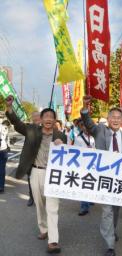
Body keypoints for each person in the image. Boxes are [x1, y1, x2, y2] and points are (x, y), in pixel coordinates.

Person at [5, 95, 67, 254]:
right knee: (39, 204)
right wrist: (10, 108)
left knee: (52, 207)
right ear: (41, 119)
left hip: (54, 176)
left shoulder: (61, 136)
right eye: (45, 116)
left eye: (51, 117)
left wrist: (63, 145)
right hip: (36, 172)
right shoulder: (32, 130)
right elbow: (17, 123)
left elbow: (68, 156)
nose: (48, 119)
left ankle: (53, 241)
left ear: (54, 120)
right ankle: (43, 228)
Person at [81, 95, 122, 256]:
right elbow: (87, 121)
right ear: (108, 119)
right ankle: (110, 245)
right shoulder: (100, 131)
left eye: (119, 117)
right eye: (113, 117)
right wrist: (85, 107)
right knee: (107, 210)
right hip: (103, 178)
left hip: (120, 180)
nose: (116, 120)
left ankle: (112, 230)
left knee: (115, 209)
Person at [71, 118, 95, 216]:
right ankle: (84, 207)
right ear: (81, 127)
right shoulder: (78, 138)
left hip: (93, 164)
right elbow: (76, 152)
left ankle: (89, 199)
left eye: (88, 126)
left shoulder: (93, 138)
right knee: (84, 184)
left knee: (91, 183)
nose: (86, 128)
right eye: (84, 126)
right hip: (83, 165)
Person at [27, 111, 41, 207]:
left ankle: (38, 197)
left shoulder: (45, 129)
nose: (35, 119)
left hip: (41, 161)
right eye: (34, 117)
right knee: (30, 180)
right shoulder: (28, 129)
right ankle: (31, 197)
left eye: (37, 117)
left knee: (40, 181)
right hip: (30, 160)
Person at [0, 120, 10, 193]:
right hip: (4, 150)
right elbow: (8, 141)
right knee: (2, 169)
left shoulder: (1, 126)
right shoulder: (7, 129)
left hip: (2, 149)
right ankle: (1, 187)